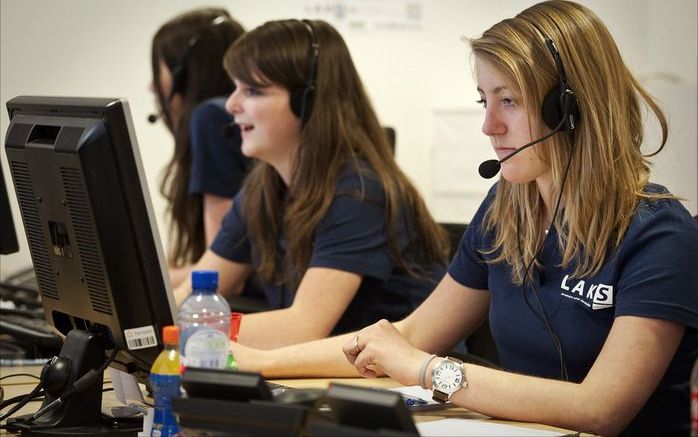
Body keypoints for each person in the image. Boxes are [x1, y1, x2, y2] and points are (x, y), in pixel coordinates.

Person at [227, 2, 698, 435]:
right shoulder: (505, 210)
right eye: (483, 101)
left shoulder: (659, 233)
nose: (489, 126)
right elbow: (409, 335)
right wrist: (254, 364)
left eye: (508, 101)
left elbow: (602, 408)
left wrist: (428, 370)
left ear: (569, 110)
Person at [174, 19, 450, 350]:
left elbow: (301, 327)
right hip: (332, 374)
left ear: (306, 102)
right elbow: (199, 288)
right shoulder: (263, 188)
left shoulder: (358, 192)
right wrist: (160, 320)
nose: (232, 105)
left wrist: (190, 328)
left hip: (405, 386)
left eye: (252, 91)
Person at [150, 8, 250, 287]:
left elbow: (221, 272)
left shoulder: (213, 117)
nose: (152, 85)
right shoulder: (229, 118)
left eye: (159, 71)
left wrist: (144, 281)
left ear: (184, 76)